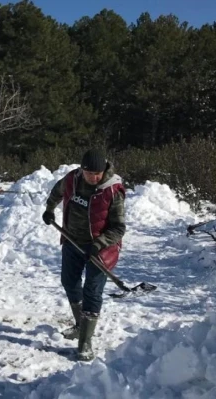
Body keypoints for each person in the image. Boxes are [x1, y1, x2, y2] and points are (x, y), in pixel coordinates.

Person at [42, 149, 126, 361]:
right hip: (72, 241)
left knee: (92, 290)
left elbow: (118, 228)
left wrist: (99, 244)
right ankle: (80, 325)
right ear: (82, 170)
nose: (94, 178)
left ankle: (85, 342)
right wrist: (50, 208)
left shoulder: (112, 190)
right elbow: (57, 191)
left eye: (98, 174)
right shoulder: (72, 179)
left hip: (100, 248)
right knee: (69, 281)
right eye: (90, 174)